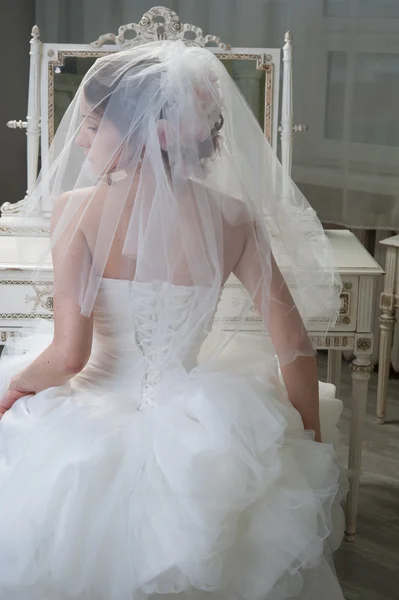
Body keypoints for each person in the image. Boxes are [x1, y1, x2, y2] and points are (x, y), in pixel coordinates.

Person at [0, 41, 345, 599]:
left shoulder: (76, 210)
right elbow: (295, 343)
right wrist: (309, 441)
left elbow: (68, 358)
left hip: (91, 411)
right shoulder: (235, 217)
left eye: (92, 123)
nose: (81, 137)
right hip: (199, 421)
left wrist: (15, 387)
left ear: (138, 127)